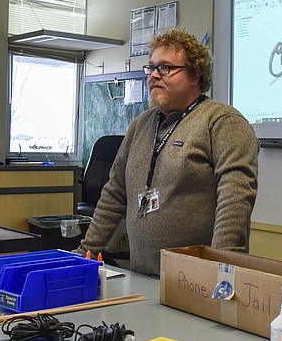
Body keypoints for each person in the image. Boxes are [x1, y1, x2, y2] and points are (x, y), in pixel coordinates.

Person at [78, 28, 259, 276]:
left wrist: (221, 270)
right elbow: (114, 194)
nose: (154, 75)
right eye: (151, 68)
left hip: (197, 281)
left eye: (165, 68)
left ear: (194, 75)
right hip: (142, 275)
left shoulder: (222, 122)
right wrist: (85, 252)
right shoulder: (140, 125)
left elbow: (235, 202)